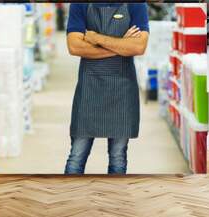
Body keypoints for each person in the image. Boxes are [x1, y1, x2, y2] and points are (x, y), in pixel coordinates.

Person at [64, 3, 149, 174]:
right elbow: (74, 47)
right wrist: (121, 45)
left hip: (122, 91)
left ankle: (114, 197)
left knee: (118, 157)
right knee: (77, 155)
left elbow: (138, 47)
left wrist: (97, 38)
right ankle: (70, 194)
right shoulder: (79, 5)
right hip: (90, 89)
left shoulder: (137, 5)